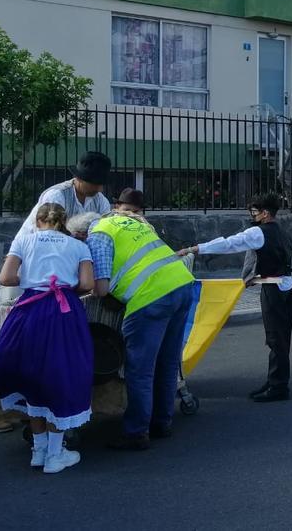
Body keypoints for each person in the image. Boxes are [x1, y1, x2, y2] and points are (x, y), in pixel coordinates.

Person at [89, 191, 199, 448]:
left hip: (151, 298)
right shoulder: (133, 223)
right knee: (168, 361)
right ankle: (162, 423)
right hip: (182, 285)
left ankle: (136, 432)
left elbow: (101, 289)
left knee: (140, 369)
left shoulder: (99, 234)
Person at [0, 203, 94, 474]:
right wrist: (64, 283)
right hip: (63, 312)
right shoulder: (78, 246)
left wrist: (31, 278)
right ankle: (55, 453)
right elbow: (87, 284)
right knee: (61, 375)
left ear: (38, 221)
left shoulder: (24, 240)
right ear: (64, 222)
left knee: (32, 376)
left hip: (29, 309)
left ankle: (38, 450)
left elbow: (6, 278)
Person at [178, 194, 292, 402]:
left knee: (276, 339)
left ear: (265, 213)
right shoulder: (282, 231)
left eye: (255, 212)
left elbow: (229, 244)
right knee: (281, 338)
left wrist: (195, 249)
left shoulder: (258, 232)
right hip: (286, 287)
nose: (253, 215)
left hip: (273, 289)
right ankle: (275, 381)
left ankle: (279, 387)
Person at [14, 151, 112, 244]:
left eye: (102, 184)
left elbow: (106, 230)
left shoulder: (101, 200)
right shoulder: (56, 195)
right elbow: (48, 234)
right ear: (78, 178)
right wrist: (72, 236)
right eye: (95, 184)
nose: (100, 189)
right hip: (33, 251)